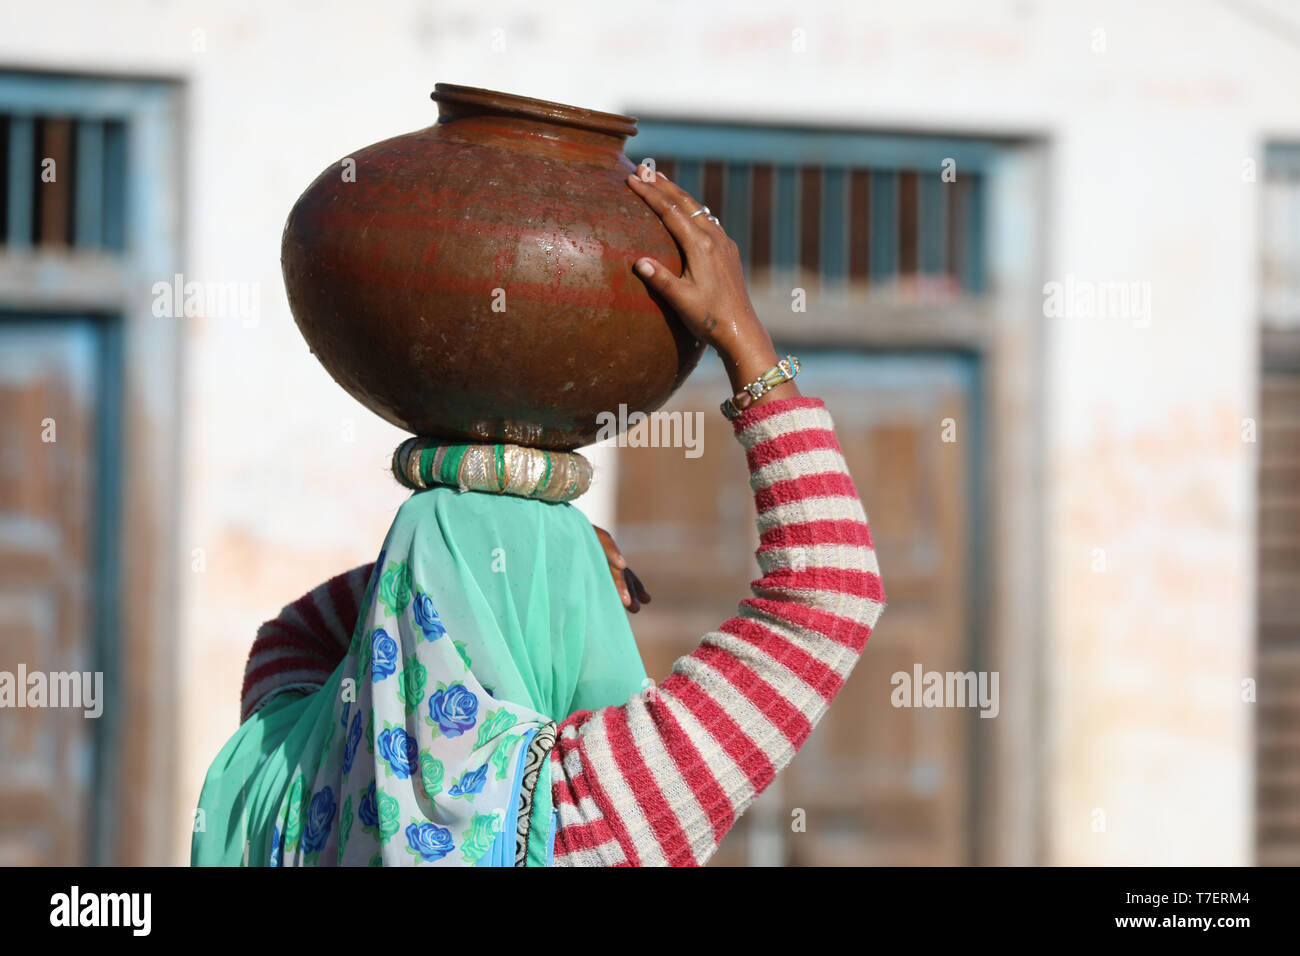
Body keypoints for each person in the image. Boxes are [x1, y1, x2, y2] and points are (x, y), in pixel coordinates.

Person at [191, 166, 884, 867]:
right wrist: (744, 342)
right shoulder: (587, 814)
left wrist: (451, 564)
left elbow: (293, 636)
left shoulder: (279, 776)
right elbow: (831, 599)